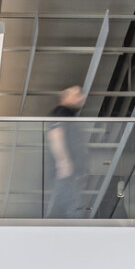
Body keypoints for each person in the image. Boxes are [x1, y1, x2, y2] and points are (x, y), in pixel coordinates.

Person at [46, 84, 87, 218]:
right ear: (66, 97)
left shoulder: (66, 114)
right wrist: (63, 161)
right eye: (77, 95)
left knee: (60, 209)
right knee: (74, 211)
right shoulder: (61, 112)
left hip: (67, 174)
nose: (81, 98)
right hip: (66, 172)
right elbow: (55, 135)